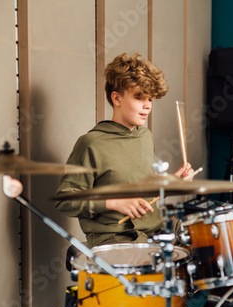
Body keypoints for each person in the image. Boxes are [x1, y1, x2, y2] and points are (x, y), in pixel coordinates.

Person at [54, 53, 192, 247]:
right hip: (117, 236)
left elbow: (144, 195)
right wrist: (113, 202)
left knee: (205, 240)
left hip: (155, 227)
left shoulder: (144, 136)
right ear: (116, 98)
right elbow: (64, 200)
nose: (147, 106)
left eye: (150, 99)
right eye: (139, 98)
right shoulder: (91, 143)